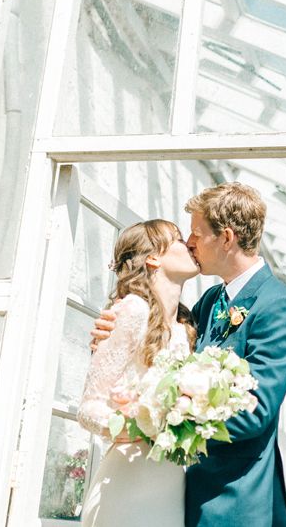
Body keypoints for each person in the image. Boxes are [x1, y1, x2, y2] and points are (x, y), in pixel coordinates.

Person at [91, 183, 286, 527]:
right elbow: (158, 344)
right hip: (177, 492)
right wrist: (110, 334)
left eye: (196, 234)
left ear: (227, 238)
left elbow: (255, 410)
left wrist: (160, 417)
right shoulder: (209, 302)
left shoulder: (276, 305)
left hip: (234, 499)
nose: (189, 243)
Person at [78, 219, 200, 527]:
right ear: (153, 256)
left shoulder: (187, 327)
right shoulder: (132, 310)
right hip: (127, 481)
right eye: (179, 239)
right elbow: (89, 407)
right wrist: (141, 423)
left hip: (172, 482)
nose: (189, 245)